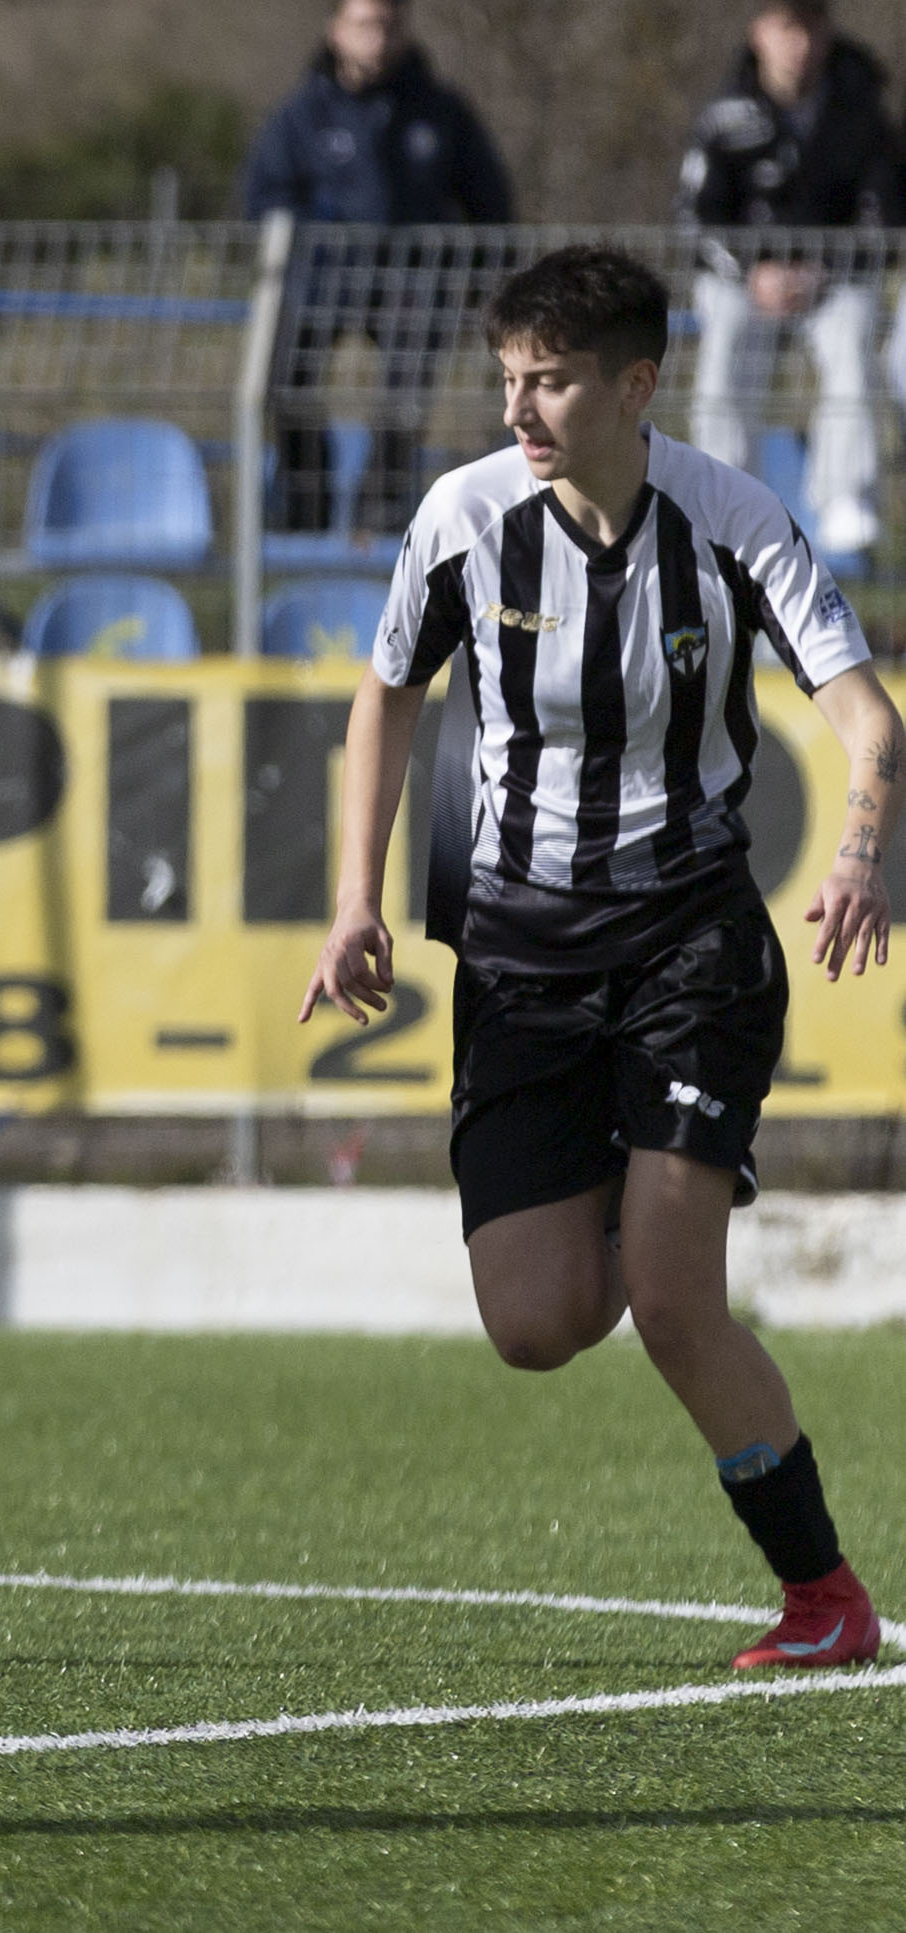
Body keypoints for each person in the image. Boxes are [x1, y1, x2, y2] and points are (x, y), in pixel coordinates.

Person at [302, 246, 894, 1672]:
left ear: (637, 385)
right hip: (517, 954)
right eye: (508, 378)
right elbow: (383, 699)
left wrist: (862, 850)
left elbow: (869, 719)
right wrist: (353, 899)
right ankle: (645, 1187)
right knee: (537, 1320)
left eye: (552, 380)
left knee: (676, 1301)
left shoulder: (732, 519)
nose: (520, 407)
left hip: (690, 942)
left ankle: (825, 1598)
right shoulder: (462, 519)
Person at [245, 0, 510, 540]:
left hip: (409, 285)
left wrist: (478, 284)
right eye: (365, 24)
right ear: (336, 31)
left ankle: (381, 516)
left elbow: (490, 205)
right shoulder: (300, 116)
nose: (378, 38)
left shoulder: (440, 112)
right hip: (319, 285)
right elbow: (264, 198)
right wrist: (316, 240)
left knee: (403, 399)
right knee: (286, 386)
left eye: (388, 25)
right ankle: (304, 511)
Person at [679, 0, 897, 558]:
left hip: (833, 283)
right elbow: (696, 220)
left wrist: (823, 271)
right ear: (759, 33)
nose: (800, 44)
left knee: (853, 342)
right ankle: (723, 500)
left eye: (811, 27)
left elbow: (884, 217)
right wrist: (753, 273)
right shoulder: (724, 116)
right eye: (786, 28)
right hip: (741, 284)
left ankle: (845, 499)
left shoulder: (861, 113)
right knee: (723, 347)